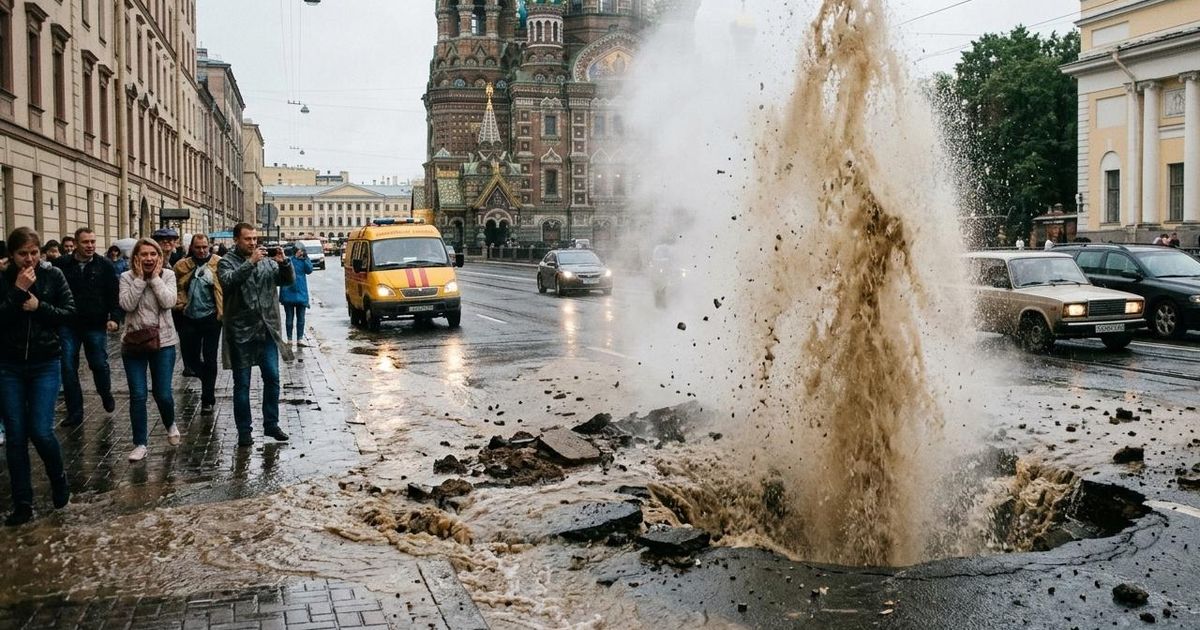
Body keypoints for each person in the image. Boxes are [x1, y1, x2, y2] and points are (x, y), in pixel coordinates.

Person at [0, 227, 75, 526]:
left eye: (34, 252)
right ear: (12, 254)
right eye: (22, 254)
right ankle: (23, 502)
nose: (29, 259)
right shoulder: (4, 277)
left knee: (41, 430)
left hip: (45, 362)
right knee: (16, 435)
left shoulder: (53, 275)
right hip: (9, 365)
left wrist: (39, 306)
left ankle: (59, 480)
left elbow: (69, 312)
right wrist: (18, 291)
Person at [219, 223, 295, 447]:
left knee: (272, 377)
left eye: (255, 239)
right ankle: (244, 430)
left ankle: (271, 424)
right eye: (247, 239)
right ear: (236, 240)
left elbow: (287, 281)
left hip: (267, 329)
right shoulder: (226, 261)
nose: (253, 243)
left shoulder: (266, 260)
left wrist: (284, 263)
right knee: (242, 384)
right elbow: (228, 281)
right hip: (240, 331)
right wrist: (250, 262)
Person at [119, 239, 180, 462]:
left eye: (153, 254)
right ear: (135, 257)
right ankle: (140, 443)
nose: (148, 258)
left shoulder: (168, 275)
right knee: (138, 394)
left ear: (159, 257)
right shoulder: (126, 277)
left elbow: (169, 302)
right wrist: (139, 280)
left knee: (162, 393)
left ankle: (170, 423)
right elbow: (127, 304)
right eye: (143, 254)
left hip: (163, 342)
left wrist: (154, 279)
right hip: (134, 342)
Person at [53, 228, 120, 427]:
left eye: (92, 241)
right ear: (76, 244)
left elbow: (113, 294)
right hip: (68, 324)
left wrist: (115, 318)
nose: (90, 246)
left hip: (95, 324)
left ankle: (105, 392)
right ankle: (75, 412)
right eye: (85, 242)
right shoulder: (62, 265)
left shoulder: (104, 265)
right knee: (67, 366)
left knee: (98, 364)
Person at [174, 234, 223, 413]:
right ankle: (206, 378)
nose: (202, 251)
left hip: (211, 317)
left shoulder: (219, 263)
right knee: (190, 358)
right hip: (188, 317)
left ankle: (207, 399)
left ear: (209, 246)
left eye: (204, 247)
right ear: (191, 248)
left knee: (210, 358)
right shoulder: (182, 265)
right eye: (198, 247)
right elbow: (175, 287)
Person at [280, 244, 313, 346]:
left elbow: (309, 270)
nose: (301, 252)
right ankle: (289, 339)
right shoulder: (289, 260)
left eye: (302, 251)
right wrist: (296, 257)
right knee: (289, 317)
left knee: (301, 318)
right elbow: (285, 267)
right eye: (299, 250)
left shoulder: (304, 260)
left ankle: (299, 339)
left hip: (300, 292)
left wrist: (306, 258)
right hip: (289, 291)